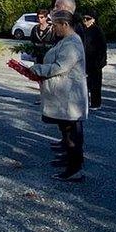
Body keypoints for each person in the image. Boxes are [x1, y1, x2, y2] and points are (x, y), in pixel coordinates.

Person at [29, 10, 88, 182]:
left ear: (65, 25)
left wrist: (38, 69)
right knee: (67, 132)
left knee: (71, 135)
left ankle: (74, 170)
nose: (53, 29)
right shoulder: (67, 41)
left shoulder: (72, 43)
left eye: (55, 25)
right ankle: (71, 165)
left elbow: (60, 66)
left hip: (70, 97)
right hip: (65, 96)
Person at [82, 11, 107, 110]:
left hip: (95, 60)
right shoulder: (83, 30)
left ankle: (96, 103)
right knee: (85, 83)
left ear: (93, 20)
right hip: (85, 59)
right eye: (84, 18)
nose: (85, 21)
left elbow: (102, 46)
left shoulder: (97, 30)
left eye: (87, 19)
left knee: (95, 83)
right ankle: (85, 102)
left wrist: (100, 61)